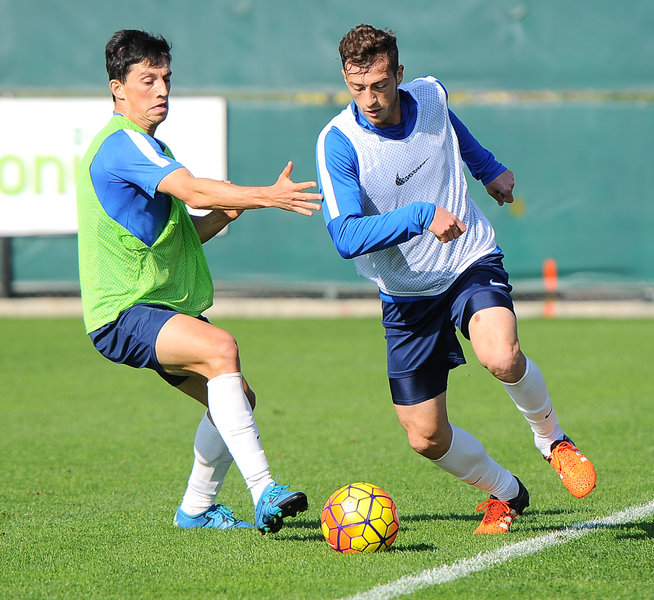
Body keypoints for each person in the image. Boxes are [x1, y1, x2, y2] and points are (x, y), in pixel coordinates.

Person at [315, 24, 596, 534]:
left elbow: (449, 127)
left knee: (501, 355)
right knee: (425, 436)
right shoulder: (339, 142)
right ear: (345, 80)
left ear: (399, 74)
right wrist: (422, 215)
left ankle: (553, 440)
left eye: (379, 84)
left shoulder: (430, 96)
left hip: (468, 259)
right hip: (406, 293)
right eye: (358, 87)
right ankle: (505, 492)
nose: (370, 99)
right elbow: (346, 235)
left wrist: (487, 168)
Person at [76, 29, 321, 533]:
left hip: (154, 308)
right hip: (124, 312)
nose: (162, 89)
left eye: (166, 78)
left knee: (235, 397)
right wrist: (267, 195)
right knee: (221, 348)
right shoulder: (123, 143)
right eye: (148, 80)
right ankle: (264, 489)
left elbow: (184, 233)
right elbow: (190, 190)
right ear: (117, 88)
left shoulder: (149, 145)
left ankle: (196, 509)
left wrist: (227, 213)